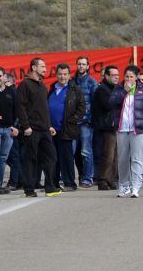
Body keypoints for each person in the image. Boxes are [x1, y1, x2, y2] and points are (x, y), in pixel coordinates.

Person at [109, 65, 143, 198]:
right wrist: (124, 92)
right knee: (123, 159)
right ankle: (124, 186)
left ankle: (136, 186)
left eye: (131, 77)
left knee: (137, 159)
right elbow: (111, 103)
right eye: (127, 76)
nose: (129, 79)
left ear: (136, 77)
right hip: (122, 128)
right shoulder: (119, 88)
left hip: (139, 129)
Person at [17, 58, 61, 197]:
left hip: (44, 130)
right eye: (42, 66)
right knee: (30, 159)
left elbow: (43, 109)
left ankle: (49, 186)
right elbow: (20, 107)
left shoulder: (43, 86)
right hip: (32, 129)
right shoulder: (25, 84)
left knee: (51, 156)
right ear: (34, 68)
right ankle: (29, 189)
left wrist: (49, 126)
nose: (45, 68)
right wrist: (26, 126)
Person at [48, 63, 86, 191]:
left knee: (66, 158)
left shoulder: (75, 89)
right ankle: (53, 183)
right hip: (52, 130)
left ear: (69, 75)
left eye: (65, 74)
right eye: (60, 74)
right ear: (56, 75)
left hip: (66, 130)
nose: (62, 77)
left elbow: (81, 108)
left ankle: (70, 183)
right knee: (53, 158)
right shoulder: (52, 88)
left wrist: (72, 121)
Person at [72, 56, 98, 189]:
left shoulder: (92, 82)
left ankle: (88, 178)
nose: (81, 66)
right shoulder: (72, 81)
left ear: (88, 66)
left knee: (86, 151)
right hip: (73, 122)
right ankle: (79, 176)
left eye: (83, 64)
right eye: (79, 64)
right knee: (74, 152)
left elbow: (95, 103)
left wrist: (89, 119)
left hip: (86, 123)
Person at [92, 66, 119, 191]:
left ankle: (111, 179)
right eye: (113, 75)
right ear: (106, 76)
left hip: (113, 126)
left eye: (118, 75)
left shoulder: (113, 88)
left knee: (114, 156)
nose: (116, 77)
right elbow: (108, 105)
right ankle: (103, 180)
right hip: (105, 127)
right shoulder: (102, 89)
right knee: (107, 155)